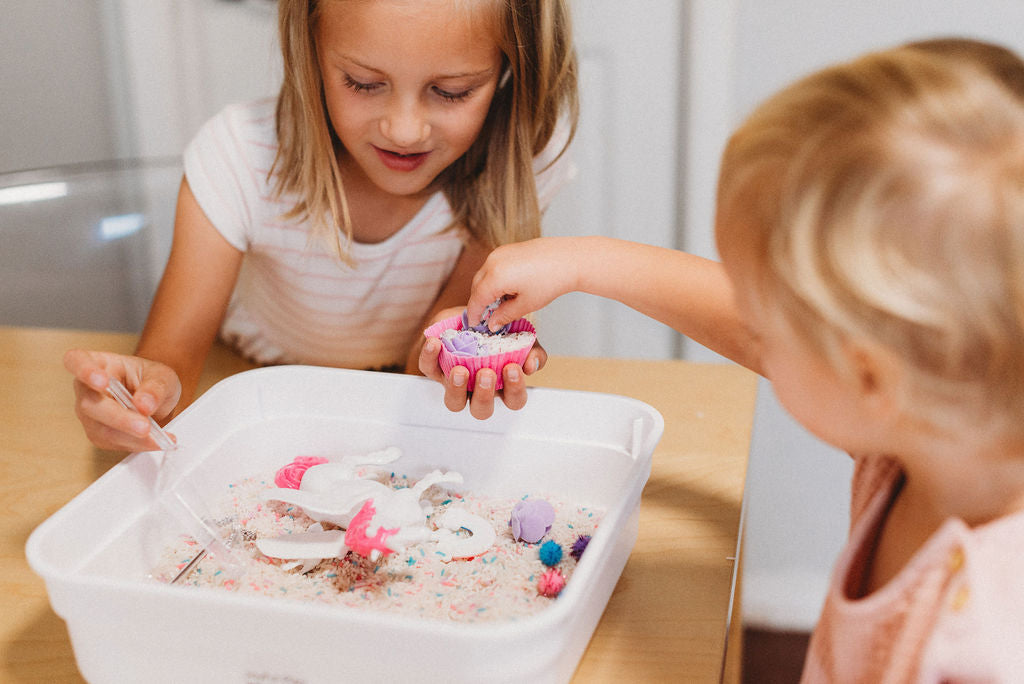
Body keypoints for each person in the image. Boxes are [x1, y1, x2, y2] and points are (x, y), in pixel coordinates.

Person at [465, 39, 1024, 681]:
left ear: (868, 376)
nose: (749, 333)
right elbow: (736, 319)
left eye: (764, 325)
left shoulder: (986, 639)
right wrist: (582, 262)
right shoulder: (925, 429)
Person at [64, 0, 578, 450]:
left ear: (511, 67)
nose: (404, 130)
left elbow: (429, 355)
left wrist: (465, 361)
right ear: (309, 46)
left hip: (399, 390)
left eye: (452, 91)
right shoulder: (239, 156)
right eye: (363, 82)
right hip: (255, 377)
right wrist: (148, 397)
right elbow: (170, 368)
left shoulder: (522, 162)